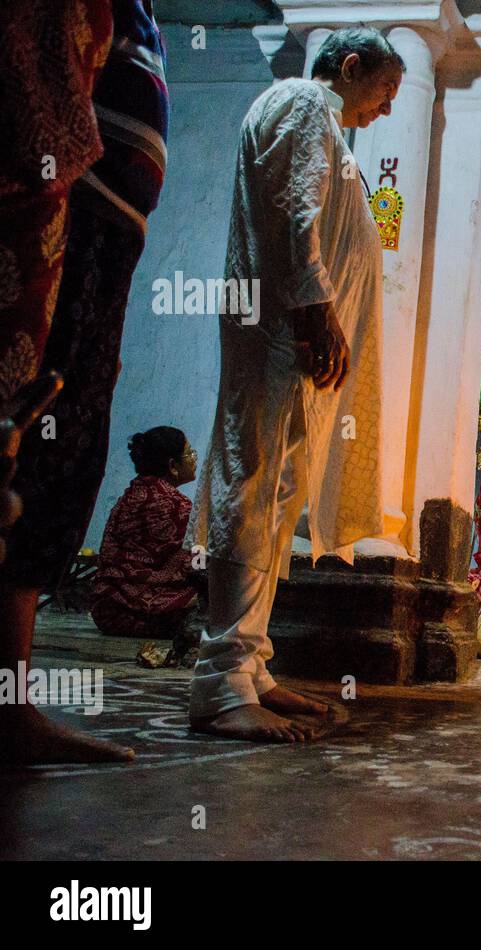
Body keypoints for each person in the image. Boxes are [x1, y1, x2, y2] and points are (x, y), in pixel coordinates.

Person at [187, 28, 403, 743]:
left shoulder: (318, 118)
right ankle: (220, 683)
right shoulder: (303, 100)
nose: (386, 110)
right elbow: (292, 212)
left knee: (276, 495)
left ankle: (250, 670)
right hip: (282, 334)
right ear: (348, 68)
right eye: (384, 91)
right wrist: (315, 314)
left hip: (294, 345)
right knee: (254, 486)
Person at [1, 0, 167, 766]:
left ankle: (13, 696)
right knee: (31, 428)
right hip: (62, 204)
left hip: (109, 224)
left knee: (68, 441)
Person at [91, 427, 199, 642]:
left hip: (106, 609)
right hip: (146, 612)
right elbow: (194, 561)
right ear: (172, 466)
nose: (195, 458)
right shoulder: (177, 505)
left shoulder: (128, 497)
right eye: (190, 454)